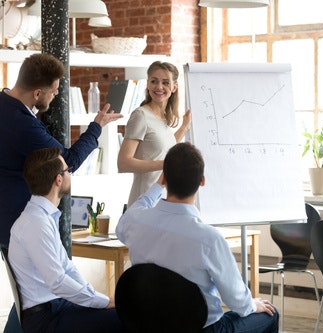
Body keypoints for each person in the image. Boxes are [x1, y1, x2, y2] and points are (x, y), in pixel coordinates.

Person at [0, 53, 122, 333]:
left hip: (8, 218)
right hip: (21, 218)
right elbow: (68, 160)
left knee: (27, 294)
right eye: (55, 91)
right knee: (36, 294)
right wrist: (97, 127)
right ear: (38, 92)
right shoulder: (23, 125)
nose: (56, 96)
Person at [116, 142, 279, 333]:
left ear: (165, 178)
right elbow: (238, 303)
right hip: (199, 329)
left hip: (147, 326)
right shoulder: (209, 239)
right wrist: (253, 304)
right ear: (202, 181)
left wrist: (157, 187)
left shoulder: (136, 221)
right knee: (270, 313)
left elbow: (134, 211)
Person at [8, 147, 125, 333]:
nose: (71, 173)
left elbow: (67, 267)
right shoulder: (35, 223)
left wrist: (97, 299)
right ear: (58, 179)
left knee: (124, 314)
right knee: (124, 319)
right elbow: (57, 281)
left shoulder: (42, 217)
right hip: (46, 318)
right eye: (68, 170)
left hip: (57, 307)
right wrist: (103, 301)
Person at [117, 61, 191, 207]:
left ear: (174, 87)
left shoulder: (163, 118)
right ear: (148, 85)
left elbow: (163, 150)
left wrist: (184, 127)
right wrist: (166, 164)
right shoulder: (141, 115)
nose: (159, 87)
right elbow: (123, 163)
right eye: (154, 81)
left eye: (165, 82)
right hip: (144, 202)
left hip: (163, 200)